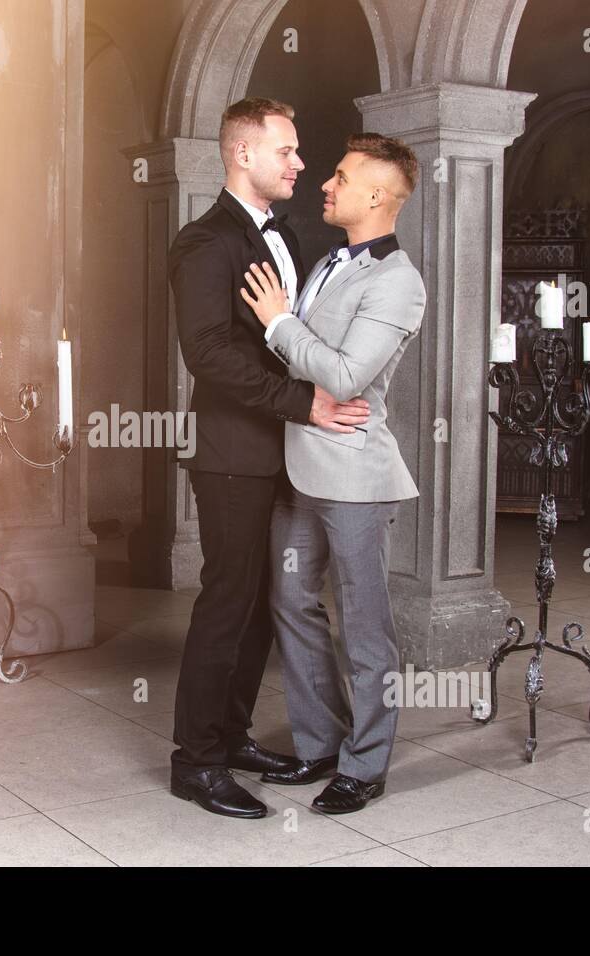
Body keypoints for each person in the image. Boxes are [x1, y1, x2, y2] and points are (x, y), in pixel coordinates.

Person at [167, 98, 371, 819]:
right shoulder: (204, 243)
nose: (299, 162)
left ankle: (229, 737)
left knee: (260, 607)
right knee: (227, 603)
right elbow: (211, 355)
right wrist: (305, 404)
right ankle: (194, 763)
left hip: (284, 450)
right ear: (243, 155)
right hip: (233, 454)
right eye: (285, 149)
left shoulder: (282, 233)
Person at [240, 132, 426, 814]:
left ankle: (366, 763)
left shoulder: (399, 281)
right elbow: (311, 371)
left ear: (378, 195)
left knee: (366, 624)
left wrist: (279, 322)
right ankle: (322, 743)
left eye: (343, 177)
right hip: (300, 464)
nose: (326, 183)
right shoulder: (331, 260)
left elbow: (347, 375)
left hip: (355, 476)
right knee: (292, 601)